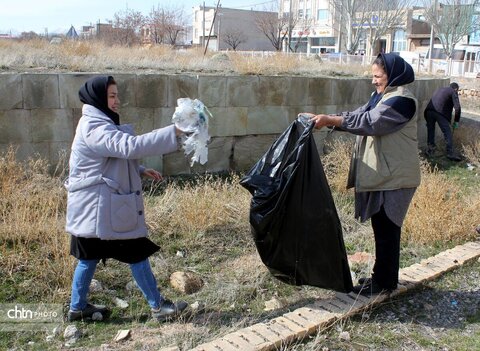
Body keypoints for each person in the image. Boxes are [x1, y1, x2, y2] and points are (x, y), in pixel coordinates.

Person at [65, 76, 188, 322]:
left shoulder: (97, 122)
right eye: (111, 96)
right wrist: (174, 131)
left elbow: (110, 157)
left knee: (88, 257)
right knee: (135, 250)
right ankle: (158, 307)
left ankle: (77, 309)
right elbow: (129, 146)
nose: (117, 101)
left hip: (97, 206)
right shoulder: (94, 126)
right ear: (98, 98)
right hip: (101, 208)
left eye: (117, 95)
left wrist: (140, 170)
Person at [300, 53, 421, 296]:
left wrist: (330, 120)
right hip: (386, 176)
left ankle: (385, 283)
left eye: (378, 76)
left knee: (388, 229)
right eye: (373, 76)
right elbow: (357, 115)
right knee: (382, 227)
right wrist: (324, 119)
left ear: (393, 75)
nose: (374, 81)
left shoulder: (402, 101)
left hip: (396, 179)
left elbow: (371, 122)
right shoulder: (380, 97)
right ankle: (382, 278)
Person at [424, 82, 462, 161]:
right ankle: (450, 153)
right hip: (439, 112)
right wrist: (456, 121)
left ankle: (430, 150)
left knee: (431, 130)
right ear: (456, 89)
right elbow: (457, 108)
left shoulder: (441, 89)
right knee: (447, 132)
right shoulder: (453, 91)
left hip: (428, 111)